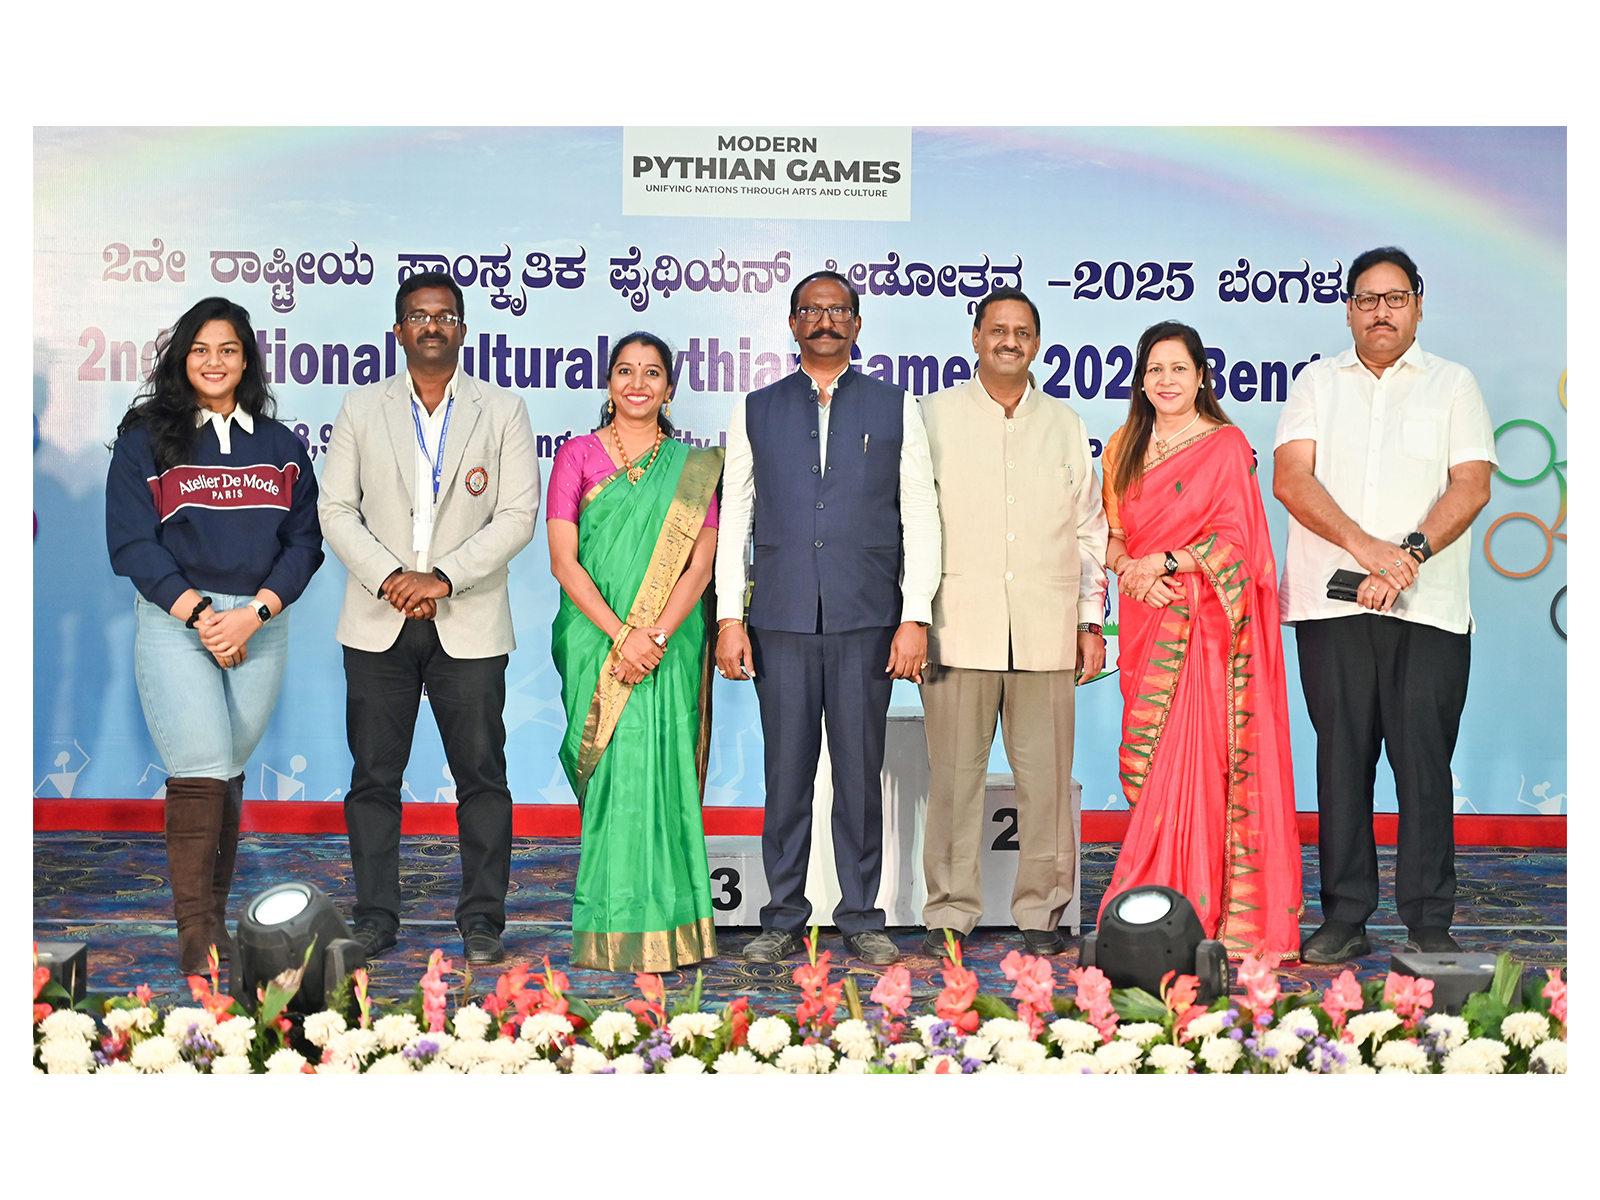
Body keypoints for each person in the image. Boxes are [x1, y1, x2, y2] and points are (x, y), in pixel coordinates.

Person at [1273, 247, 1496, 963]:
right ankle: (1345, 915)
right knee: (1341, 763)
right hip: (1331, 606)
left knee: (1423, 763)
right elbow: (1291, 479)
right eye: (1366, 300)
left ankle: (1429, 918)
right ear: (1348, 310)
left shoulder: (1453, 384)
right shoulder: (1316, 383)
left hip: (1428, 609)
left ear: (1418, 306)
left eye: (1395, 298)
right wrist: (1367, 548)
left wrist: (1408, 558)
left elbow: (1471, 485)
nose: (1381, 312)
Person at [714, 270, 941, 966]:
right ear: (792, 323)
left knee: (858, 776)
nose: (825, 320)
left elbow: (920, 515)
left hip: (865, 620)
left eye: (838, 310)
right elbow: (736, 518)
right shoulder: (756, 408)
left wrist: (915, 615)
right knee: (785, 778)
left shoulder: (895, 406)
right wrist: (729, 617)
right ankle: (782, 915)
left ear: (857, 324)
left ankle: (862, 915)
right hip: (779, 621)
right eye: (811, 310)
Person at [318, 271, 538, 966]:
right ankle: (376, 917)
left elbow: (517, 516)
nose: (432, 325)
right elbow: (335, 510)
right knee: (373, 778)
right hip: (377, 618)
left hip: (467, 618)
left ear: (463, 330)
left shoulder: (503, 409)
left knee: (482, 778)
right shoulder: (361, 407)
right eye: (419, 315)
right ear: (398, 331)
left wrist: (440, 579)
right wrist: (391, 579)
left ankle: (483, 920)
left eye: (444, 315)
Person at [106, 296, 324, 974]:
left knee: (227, 767)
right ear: (182, 359)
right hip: (179, 621)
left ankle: (215, 919)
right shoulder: (145, 439)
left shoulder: (281, 446)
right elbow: (132, 543)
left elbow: (304, 543)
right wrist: (203, 616)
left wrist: (253, 614)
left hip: (260, 622)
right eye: (200, 349)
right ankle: (197, 932)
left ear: (247, 360)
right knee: (201, 764)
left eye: (228, 349)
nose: (214, 361)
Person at [1099, 321, 1302, 961]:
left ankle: (1199, 904)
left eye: (1179, 369)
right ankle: (1158, 897)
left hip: (1206, 628)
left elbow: (1242, 546)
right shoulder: (1121, 448)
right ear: (1141, 380)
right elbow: (1111, 539)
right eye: (1155, 369)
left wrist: (1164, 564)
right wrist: (1133, 572)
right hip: (1147, 617)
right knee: (1152, 765)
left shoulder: (1225, 445)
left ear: (1201, 378)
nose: (1167, 381)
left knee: (1203, 767)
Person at [918, 288, 1107, 959]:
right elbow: (911, 523)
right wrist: (911, 616)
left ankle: (1042, 911)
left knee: (1047, 785)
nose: (1009, 341)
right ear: (975, 337)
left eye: (1022, 331)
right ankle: (949, 910)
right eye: (997, 329)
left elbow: (1089, 532)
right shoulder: (931, 417)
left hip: (1046, 631)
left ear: (1037, 343)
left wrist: (1090, 622)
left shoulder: (1065, 423)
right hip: (955, 629)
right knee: (953, 784)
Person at [547, 333, 723, 972]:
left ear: (669, 388)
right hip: (597, 641)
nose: (638, 383)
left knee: (666, 770)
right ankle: (609, 924)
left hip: (669, 646)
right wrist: (624, 636)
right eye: (626, 371)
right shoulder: (576, 456)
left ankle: (676, 928)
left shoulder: (694, 468)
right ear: (609, 383)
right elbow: (564, 561)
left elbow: (700, 566)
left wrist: (656, 637)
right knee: (614, 777)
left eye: (652, 373)